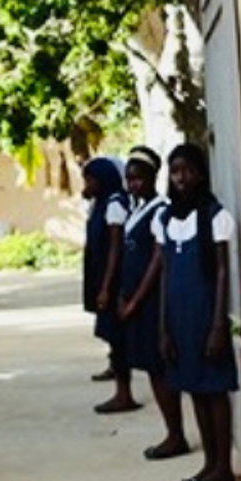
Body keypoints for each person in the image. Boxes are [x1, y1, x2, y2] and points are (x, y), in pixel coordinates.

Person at [155, 144, 238, 481]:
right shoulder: (166, 220)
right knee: (194, 389)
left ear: (201, 173)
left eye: (188, 170)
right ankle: (208, 464)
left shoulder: (214, 216)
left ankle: (224, 467)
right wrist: (163, 328)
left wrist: (220, 324)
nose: (182, 178)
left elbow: (221, 272)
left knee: (214, 390)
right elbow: (164, 274)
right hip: (179, 318)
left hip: (206, 315)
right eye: (175, 171)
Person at [116, 147, 186, 460]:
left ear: (152, 177)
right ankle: (170, 430)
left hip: (152, 301)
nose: (133, 185)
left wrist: (136, 300)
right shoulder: (136, 210)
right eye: (129, 179)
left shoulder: (160, 210)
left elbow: (158, 260)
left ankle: (175, 433)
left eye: (138, 178)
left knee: (160, 370)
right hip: (133, 301)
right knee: (150, 368)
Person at [82, 157, 137, 409]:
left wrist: (106, 286)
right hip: (102, 275)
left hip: (112, 280)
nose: (87, 185)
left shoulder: (114, 204)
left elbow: (115, 248)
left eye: (90, 180)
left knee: (118, 337)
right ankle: (117, 376)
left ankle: (124, 393)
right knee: (112, 335)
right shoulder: (100, 203)